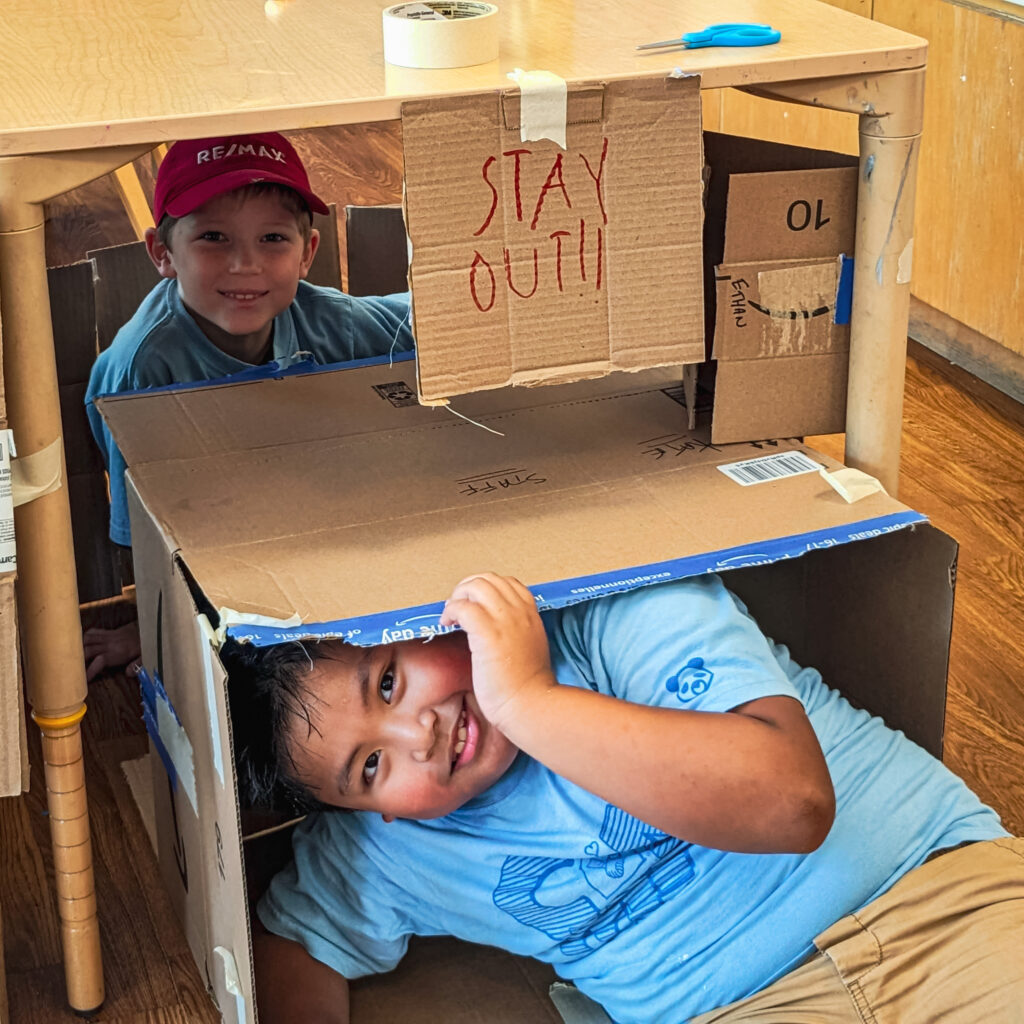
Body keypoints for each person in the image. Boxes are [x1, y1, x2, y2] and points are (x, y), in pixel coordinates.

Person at [225, 572, 1022, 1024]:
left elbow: (792, 803)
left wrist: (530, 701)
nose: (417, 735)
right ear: (374, 811)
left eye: (391, 681)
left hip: (932, 896)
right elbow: (296, 942)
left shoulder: (610, 607)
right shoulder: (381, 851)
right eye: (369, 769)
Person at [83, 131, 414, 680]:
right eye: (214, 237)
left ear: (307, 252)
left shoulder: (326, 320)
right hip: (197, 516)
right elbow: (147, 537)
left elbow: (421, 322)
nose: (245, 265)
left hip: (296, 502)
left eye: (273, 239)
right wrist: (154, 629)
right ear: (163, 254)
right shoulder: (143, 370)